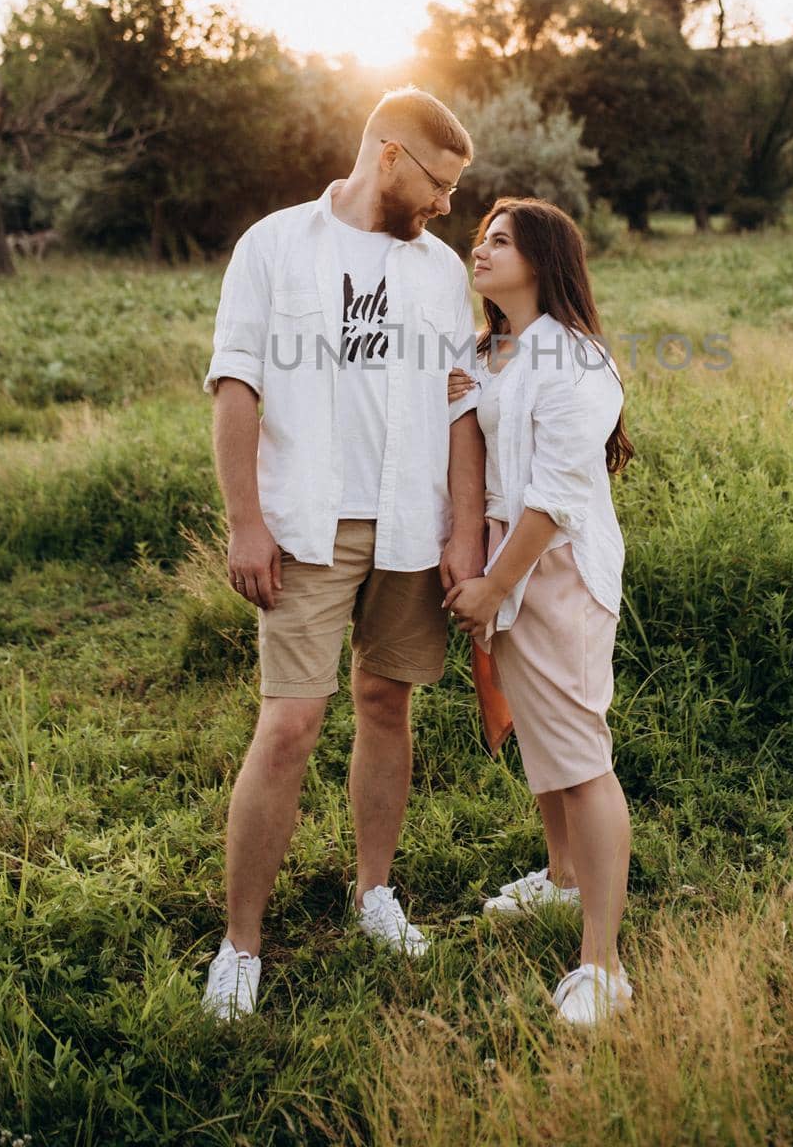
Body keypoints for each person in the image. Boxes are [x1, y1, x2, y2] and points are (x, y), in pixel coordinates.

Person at [200, 86, 485, 1020]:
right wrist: (246, 523)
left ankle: (374, 893)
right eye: (440, 183)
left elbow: (457, 405)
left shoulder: (441, 272)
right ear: (391, 155)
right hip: (306, 523)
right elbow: (235, 386)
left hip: (411, 519)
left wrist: (463, 529)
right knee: (288, 727)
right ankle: (241, 942)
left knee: (385, 703)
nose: (448, 205)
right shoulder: (275, 246)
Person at [444, 198, 635, 1028]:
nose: (479, 249)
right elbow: (466, 432)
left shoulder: (575, 360)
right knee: (546, 741)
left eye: (499, 240)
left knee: (583, 754)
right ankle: (561, 881)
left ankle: (604, 966)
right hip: (506, 567)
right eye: (480, 237)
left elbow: (556, 496)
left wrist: (491, 585)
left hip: (555, 570)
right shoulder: (492, 350)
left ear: (543, 259)